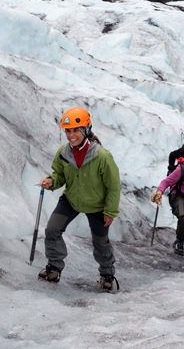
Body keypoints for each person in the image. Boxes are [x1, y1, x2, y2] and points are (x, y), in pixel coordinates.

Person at [38, 107, 121, 291]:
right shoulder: (63, 152)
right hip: (71, 200)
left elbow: (113, 186)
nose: (71, 135)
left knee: (101, 242)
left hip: (97, 205)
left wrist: (110, 211)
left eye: (76, 130)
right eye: (68, 130)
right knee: (52, 229)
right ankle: (54, 267)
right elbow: (59, 174)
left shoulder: (102, 156)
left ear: (86, 129)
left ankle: (107, 274)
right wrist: (51, 181)